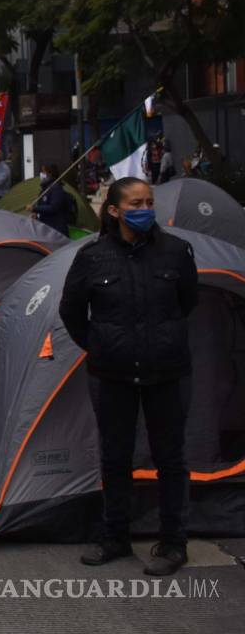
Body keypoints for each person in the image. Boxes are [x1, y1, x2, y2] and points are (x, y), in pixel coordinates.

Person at [60, 177, 198, 576]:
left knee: (171, 459)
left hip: (168, 373)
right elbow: (72, 312)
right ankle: (115, 536)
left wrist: (159, 340)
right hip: (111, 374)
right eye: (136, 202)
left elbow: (187, 301)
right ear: (115, 210)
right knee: (114, 457)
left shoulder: (175, 252)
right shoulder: (92, 257)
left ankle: (174, 543)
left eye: (149, 201)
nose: (145, 208)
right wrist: (102, 345)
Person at [30, 163, 70, 236]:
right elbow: (42, 204)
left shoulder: (56, 188)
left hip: (56, 229)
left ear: (50, 173)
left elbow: (53, 207)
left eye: (43, 172)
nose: (42, 174)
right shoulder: (45, 188)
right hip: (47, 227)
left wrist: (35, 208)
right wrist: (36, 214)